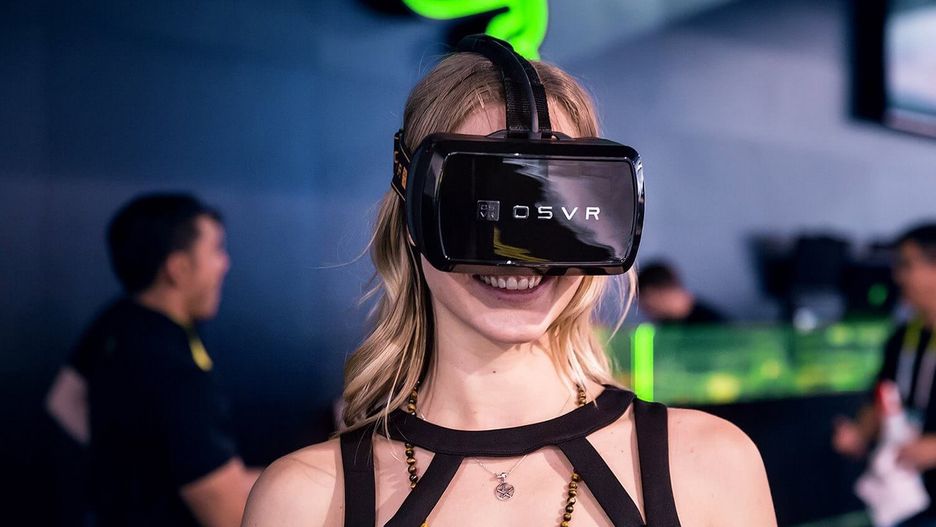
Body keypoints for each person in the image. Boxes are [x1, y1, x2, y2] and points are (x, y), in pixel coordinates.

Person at [242, 40, 775, 526]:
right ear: (413, 215)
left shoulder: (711, 466)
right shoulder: (303, 500)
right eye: (483, 204)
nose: (520, 255)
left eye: (555, 208)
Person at [45, 193, 259, 527]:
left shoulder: (116, 320)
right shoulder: (176, 374)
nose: (225, 264)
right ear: (178, 268)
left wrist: (133, 465)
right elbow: (229, 515)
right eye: (216, 250)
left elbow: (62, 399)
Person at [834, 223, 936, 526]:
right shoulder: (902, 338)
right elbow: (881, 398)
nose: (898, 276)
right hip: (906, 496)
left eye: (907, 265)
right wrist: (859, 433)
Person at [637, 261, 727, 325]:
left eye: (647, 306)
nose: (646, 313)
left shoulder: (713, 326)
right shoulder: (667, 324)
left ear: (652, 292)